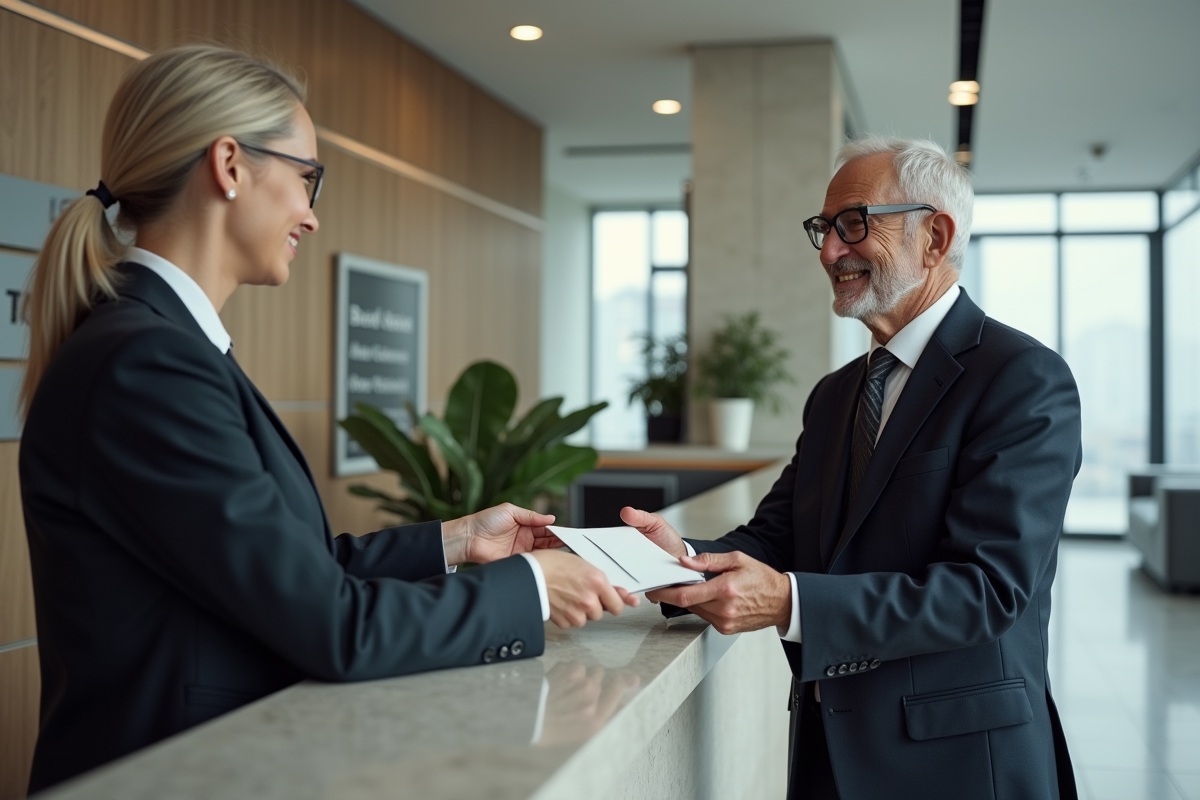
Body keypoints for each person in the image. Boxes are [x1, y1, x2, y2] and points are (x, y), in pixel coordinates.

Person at [18, 45, 635, 794]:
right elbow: (330, 625)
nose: (310, 215)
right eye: (308, 178)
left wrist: (455, 542)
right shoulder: (147, 364)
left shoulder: (159, 348)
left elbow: (281, 572)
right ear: (230, 165)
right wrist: (532, 588)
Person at [624, 136, 1081, 800]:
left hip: (958, 765)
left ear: (935, 235)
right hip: (828, 755)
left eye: (854, 224)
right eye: (824, 229)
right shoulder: (836, 394)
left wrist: (790, 602)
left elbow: (986, 591)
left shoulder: (1021, 379)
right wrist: (681, 558)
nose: (830, 251)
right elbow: (776, 535)